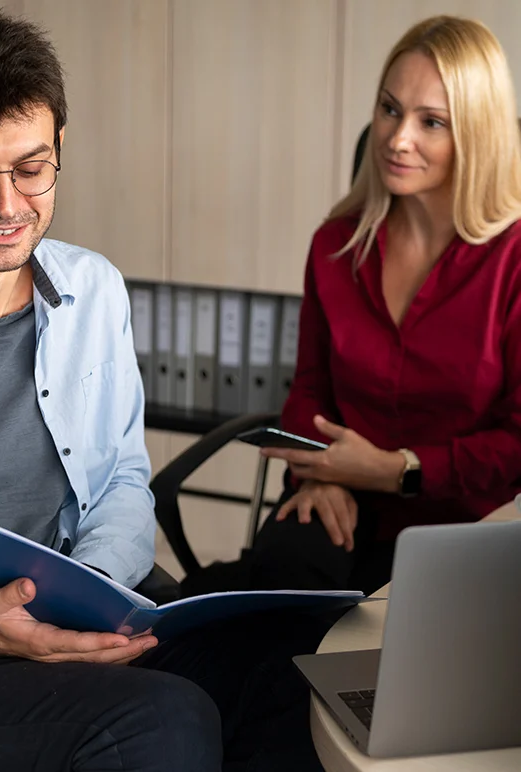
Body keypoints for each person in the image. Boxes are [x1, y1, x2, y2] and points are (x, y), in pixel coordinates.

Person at [0, 12, 328, 772]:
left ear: (59, 150)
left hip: (72, 622)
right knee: (164, 720)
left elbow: (121, 480)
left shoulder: (94, 288)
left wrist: (86, 603)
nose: (6, 204)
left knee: (291, 676)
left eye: (31, 167)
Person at [183, 15, 521, 599]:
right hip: (339, 500)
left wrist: (399, 469)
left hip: (462, 525)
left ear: (477, 135)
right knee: (274, 602)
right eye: (390, 109)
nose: (397, 138)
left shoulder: (511, 262)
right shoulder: (337, 245)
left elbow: (516, 440)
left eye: (431, 122)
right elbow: (310, 388)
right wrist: (315, 475)